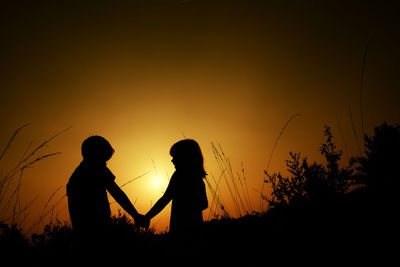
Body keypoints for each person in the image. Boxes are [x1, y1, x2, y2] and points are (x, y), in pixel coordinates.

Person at [66, 135, 145, 250]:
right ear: (96, 155)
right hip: (95, 230)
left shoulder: (78, 174)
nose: (106, 164)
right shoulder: (96, 170)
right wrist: (135, 215)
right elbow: (117, 193)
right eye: (104, 160)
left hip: (84, 232)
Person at [143, 139, 208, 244]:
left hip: (186, 231)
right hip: (191, 230)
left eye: (175, 157)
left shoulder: (182, 176)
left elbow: (165, 198)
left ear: (185, 157)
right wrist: (148, 216)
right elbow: (204, 204)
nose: (172, 161)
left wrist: (147, 217)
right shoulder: (185, 176)